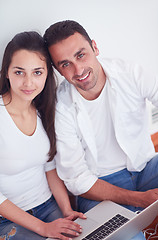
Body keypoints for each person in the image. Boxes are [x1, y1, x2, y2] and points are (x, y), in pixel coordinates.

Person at [43, 20, 158, 240]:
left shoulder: (130, 72)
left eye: (81, 55)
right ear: (58, 70)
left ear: (95, 47)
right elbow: (77, 179)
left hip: (145, 167)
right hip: (101, 188)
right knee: (126, 237)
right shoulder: (60, 107)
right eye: (65, 64)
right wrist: (139, 199)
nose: (78, 70)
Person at [0, 31, 86, 240]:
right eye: (19, 72)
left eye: (37, 72)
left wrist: (66, 210)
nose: (29, 83)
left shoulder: (43, 111)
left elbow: (49, 167)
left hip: (48, 206)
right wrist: (43, 228)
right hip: (8, 219)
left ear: (47, 74)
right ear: (6, 73)